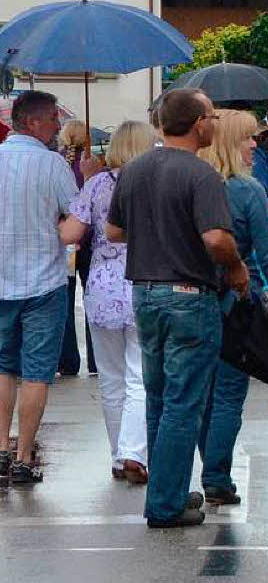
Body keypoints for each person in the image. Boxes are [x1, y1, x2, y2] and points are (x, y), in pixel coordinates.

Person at [106, 88, 250, 529]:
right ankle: (165, 505)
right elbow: (216, 239)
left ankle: (165, 492)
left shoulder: (134, 169)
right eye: (211, 116)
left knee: (159, 398)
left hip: (145, 293)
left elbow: (114, 232)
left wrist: (157, 239)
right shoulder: (201, 175)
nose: (215, 124)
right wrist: (237, 268)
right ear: (197, 123)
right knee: (185, 402)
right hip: (189, 294)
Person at [197, 110, 268, 505]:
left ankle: (208, 467)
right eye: (247, 139)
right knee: (228, 394)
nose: (253, 147)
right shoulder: (247, 191)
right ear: (230, 142)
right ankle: (216, 476)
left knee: (204, 395)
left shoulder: (198, 184)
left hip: (196, 299)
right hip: (237, 305)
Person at [59, 120, 157, 484]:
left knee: (111, 379)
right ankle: (134, 452)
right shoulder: (153, 184)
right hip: (143, 281)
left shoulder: (98, 184)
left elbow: (70, 233)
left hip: (102, 286)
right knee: (139, 376)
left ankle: (119, 455)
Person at [0, 91, 77, 485]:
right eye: (53, 118)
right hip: (44, 281)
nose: (58, 125)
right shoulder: (53, 165)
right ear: (31, 122)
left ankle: (0, 449)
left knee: (2, 368)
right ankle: (25, 456)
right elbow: (76, 218)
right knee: (36, 374)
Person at [58, 119, 98, 377]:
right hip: (92, 240)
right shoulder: (93, 165)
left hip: (68, 241)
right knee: (92, 300)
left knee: (65, 303)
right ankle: (96, 360)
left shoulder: (58, 164)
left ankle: (68, 360)